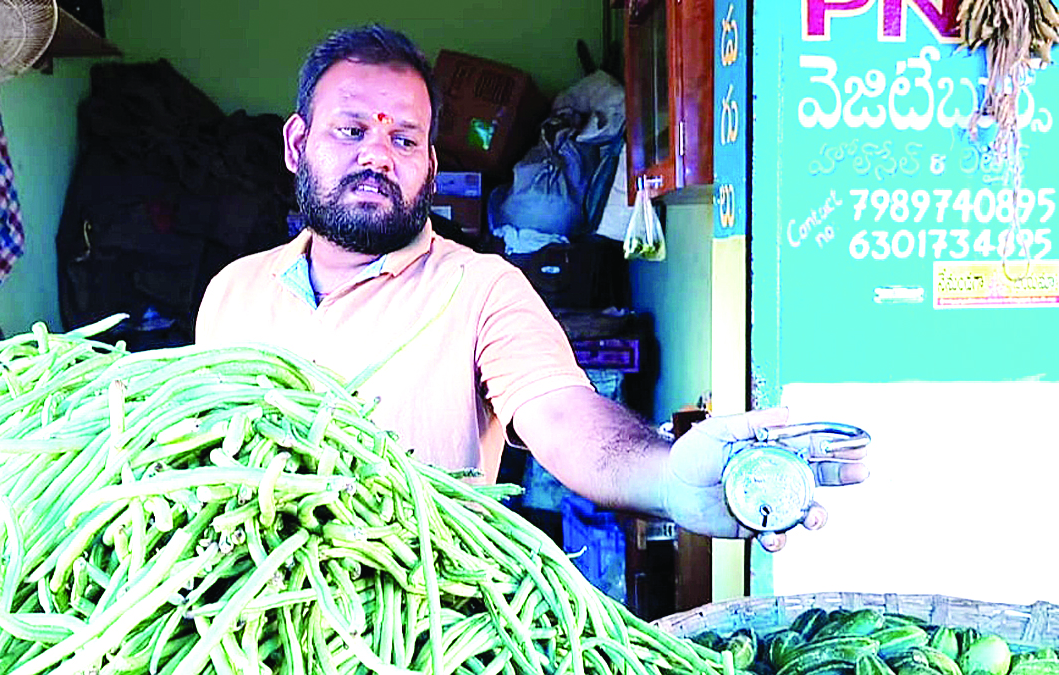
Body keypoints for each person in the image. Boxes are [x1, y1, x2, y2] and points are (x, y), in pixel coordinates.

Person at [195, 25, 869, 552]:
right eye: (349, 131)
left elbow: (560, 414)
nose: (376, 155)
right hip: (253, 628)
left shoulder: (481, 288)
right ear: (296, 143)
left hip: (420, 636)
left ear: (430, 165)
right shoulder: (230, 293)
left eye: (404, 139)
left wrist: (666, 477)